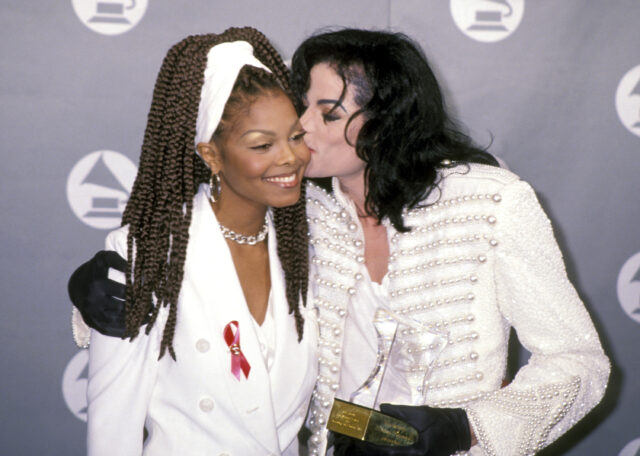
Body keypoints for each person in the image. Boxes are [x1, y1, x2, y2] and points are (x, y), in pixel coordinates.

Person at [70, 28, 610, 456]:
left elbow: (579, 364)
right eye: (298, 107)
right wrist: (86, 291)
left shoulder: (492, 204)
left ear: (386, 122)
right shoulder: (304, 214)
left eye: (327, 113)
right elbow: (199, 281)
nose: (300, 130)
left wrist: (465, 429)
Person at [76, 27, 318, 455]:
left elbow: (323, 404)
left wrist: (394, 434)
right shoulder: (149, 254)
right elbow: (113, 427)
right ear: (211, 156)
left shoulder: (308, 248)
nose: (291, 158)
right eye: (263, 144)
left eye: (296, 136)